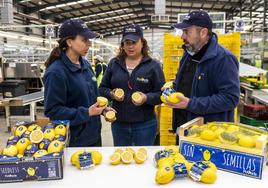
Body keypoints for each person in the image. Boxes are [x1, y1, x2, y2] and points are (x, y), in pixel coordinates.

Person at [164, 10, 240, 141]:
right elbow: (187, 82)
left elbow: (230, 98)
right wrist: (172, 88)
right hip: (184, 130)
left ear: (203, 33)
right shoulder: (189, 53)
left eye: (186, 31)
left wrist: (190, 104)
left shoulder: (223, 59)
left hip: (208, 136)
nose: (182, 36)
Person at [44, 19, 110, 147]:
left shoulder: (85, 64)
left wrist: (101, 109)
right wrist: (87, 112)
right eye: (84, 40)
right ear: (69, 42)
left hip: (94, 134)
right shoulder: (56, 72)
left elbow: (90, 99)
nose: (89, 44)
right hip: (74, 140)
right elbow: (53, 111)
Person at [99, 24, 165, 146]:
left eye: (134, 42)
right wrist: (111, 94)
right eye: (127, 42)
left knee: (144, 160)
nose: (130, 46)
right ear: (122, 45)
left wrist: (146, 98)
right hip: (119, 125)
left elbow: (162, 94)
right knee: (121, 159)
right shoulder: (114, 64)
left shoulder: (153, 66)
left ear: (142, 43)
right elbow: (102, 89)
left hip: (145, 125)